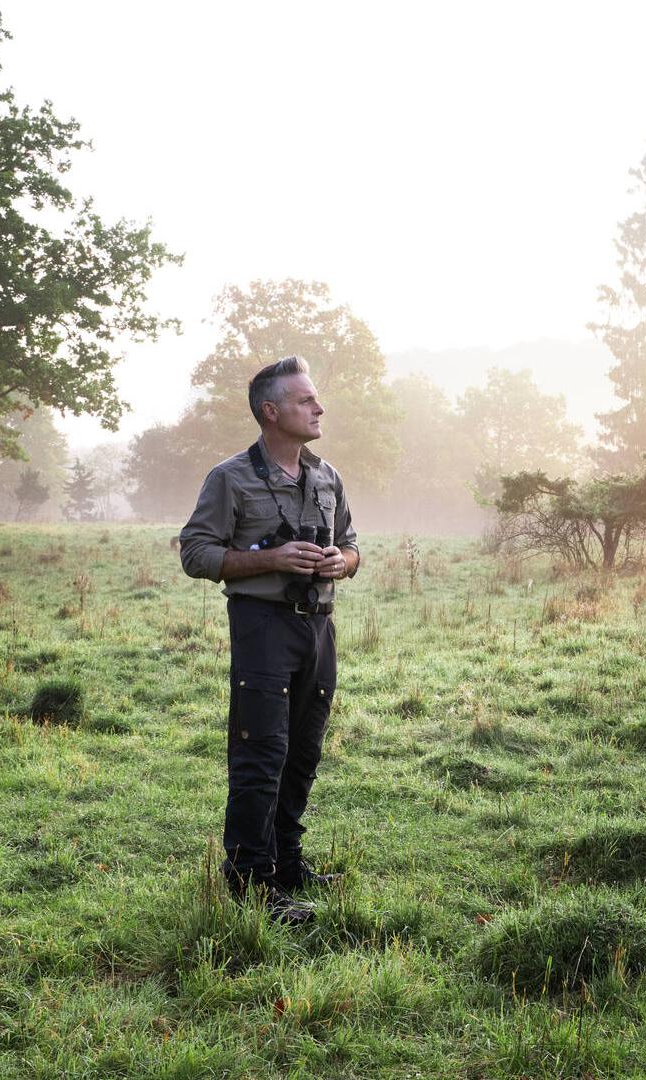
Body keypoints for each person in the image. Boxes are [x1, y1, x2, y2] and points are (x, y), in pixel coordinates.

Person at [178, 355, 359, 923]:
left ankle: (286, 863)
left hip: (318, 627)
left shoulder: (326, 476)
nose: (319, 407)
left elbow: (354, 544)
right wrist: (270, 559)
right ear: (270, 411)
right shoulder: (229, 478)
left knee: (303, 752)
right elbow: (195, 553)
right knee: (261, 753)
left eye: (316, 398)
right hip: (261, 630)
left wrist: (341, 561)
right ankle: (250, 882)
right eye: (306, 400)